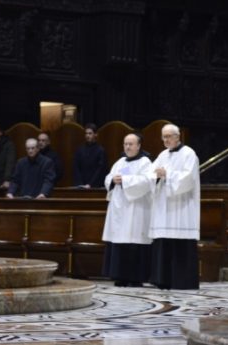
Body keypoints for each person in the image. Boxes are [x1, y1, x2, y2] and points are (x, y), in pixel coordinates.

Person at [148, 123, 200, 290]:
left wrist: (167, 174)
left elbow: (188, 178)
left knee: (180, 243)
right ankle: (163, 280)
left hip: (182, 207)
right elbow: (150, 173)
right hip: (164, 208)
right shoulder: (162, 155)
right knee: (164, 241)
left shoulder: (189, 154)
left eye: (169, 136)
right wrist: (156, 176)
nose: (166, 140)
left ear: (178, 137)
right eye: (163, 137)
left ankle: (182, 281)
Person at [102, 132, 154, 287]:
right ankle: (119, 276)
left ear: (138, 145)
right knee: (119, 240)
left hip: (135, 208)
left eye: (131, 144)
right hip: (119, 208)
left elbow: (147, 181)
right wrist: (112, 180)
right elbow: (108, 177)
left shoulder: (145, 162)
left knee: (134, 241)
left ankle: (135, 278)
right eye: (125, 144)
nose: (127, 147)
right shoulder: (120, 162)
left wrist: (124, 180)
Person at [73, 123, 107, 188]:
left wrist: (90, 184)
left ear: (96, 134)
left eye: (90, 133)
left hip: (95, 187)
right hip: (81, 186)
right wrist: (80, 184)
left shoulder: (100, 150)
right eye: (86, 133)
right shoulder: (80, 150)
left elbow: (100, 170)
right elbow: (76, 168)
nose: (87, 135)